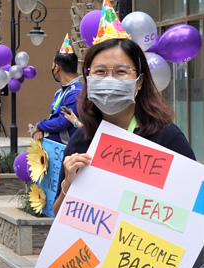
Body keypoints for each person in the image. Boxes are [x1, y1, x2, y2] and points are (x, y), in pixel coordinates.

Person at [53, 37, 196, 215]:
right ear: (88, 78)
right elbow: (59, 215)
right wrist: (68, 183)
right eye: (100, 71)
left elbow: (195, 208)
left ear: (139, 82)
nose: (109, 80)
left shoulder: (167, 138)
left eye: (121, 71)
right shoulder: (81, 139)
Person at [31, 35, 83, 145]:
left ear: (57, 67)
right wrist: (42, 129)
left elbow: (62, 122)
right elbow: (55, 120)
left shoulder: (76, 92)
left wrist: (40, 125)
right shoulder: (60, 92)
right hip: (56, 148)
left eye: (52, 65)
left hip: (68, 150)